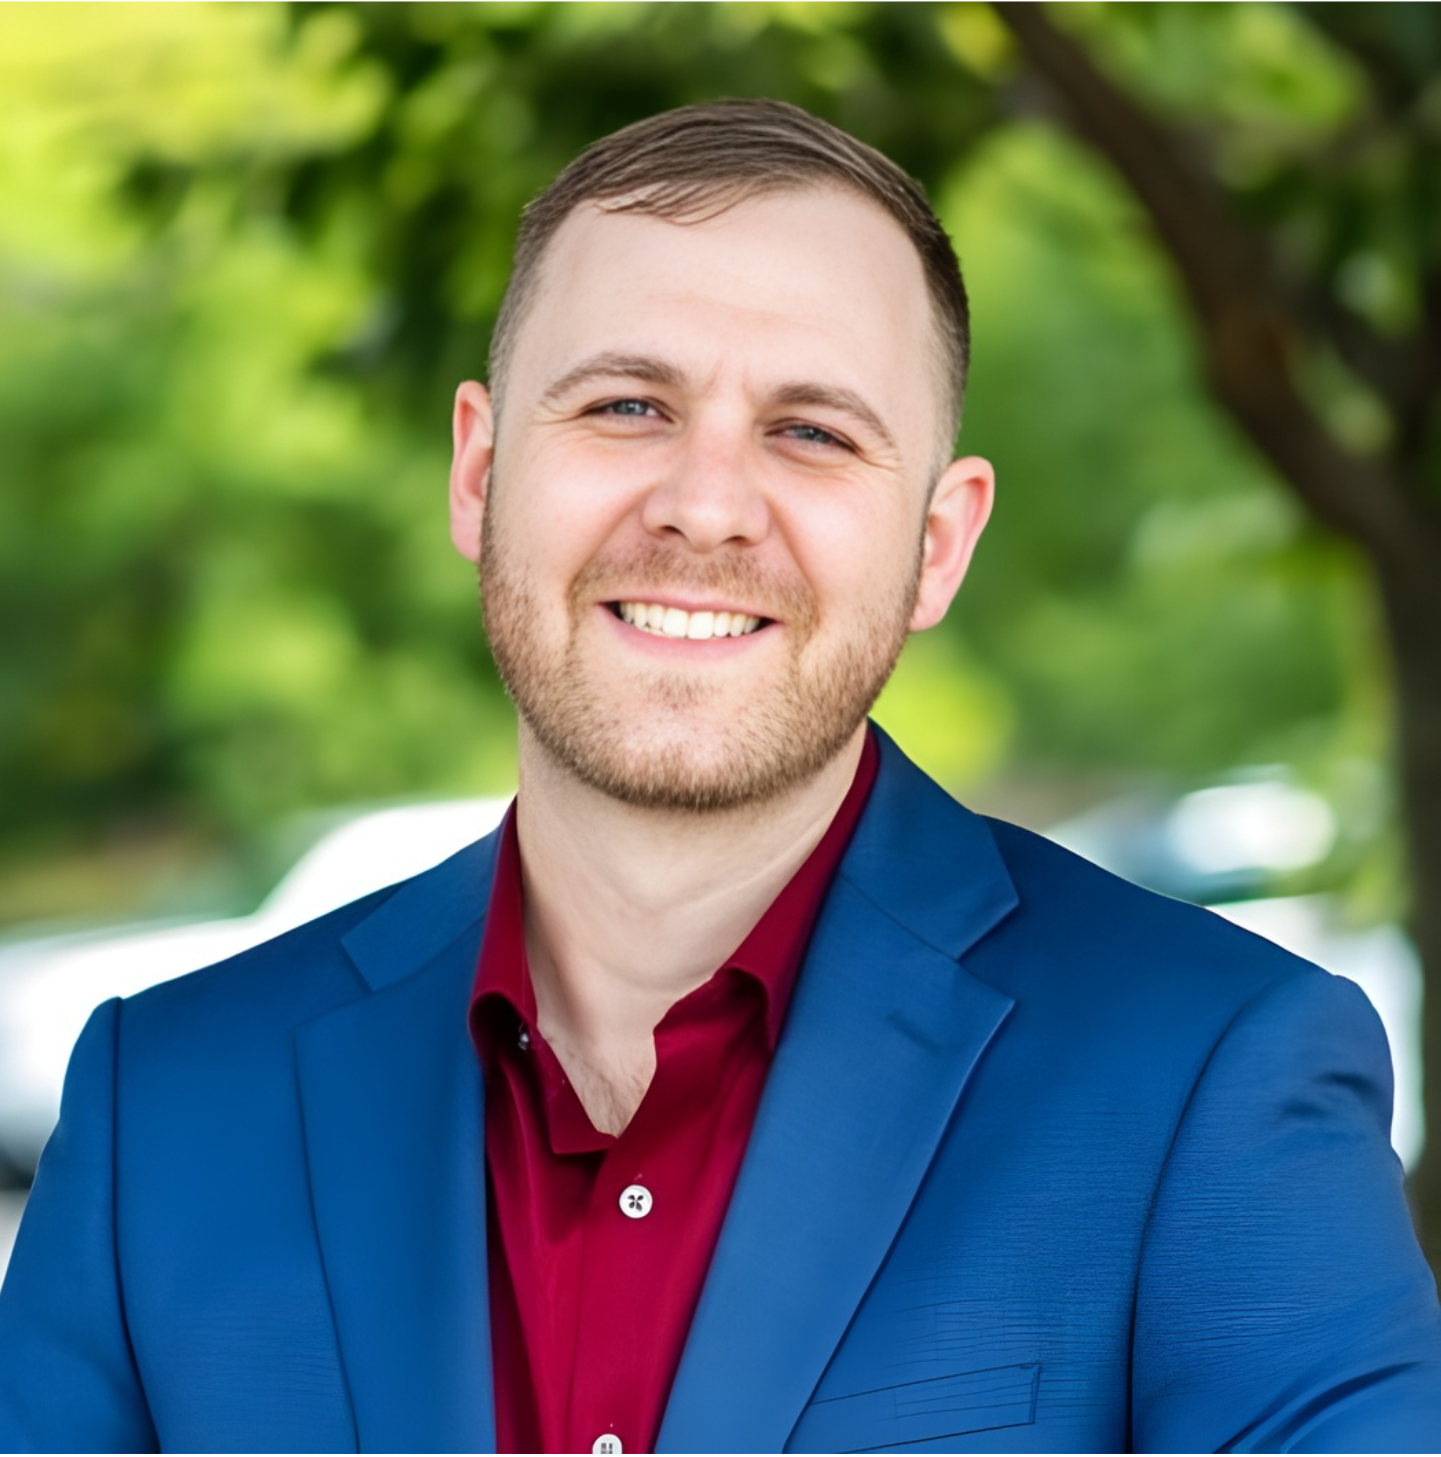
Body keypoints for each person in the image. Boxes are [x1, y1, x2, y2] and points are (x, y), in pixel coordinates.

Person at [1, 98, 1438, 1456]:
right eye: (627, 405)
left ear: (938, 544)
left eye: (812, 432)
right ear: (477, 472)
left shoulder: (1211, 1079)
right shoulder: (164, 1112)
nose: (703, 505)